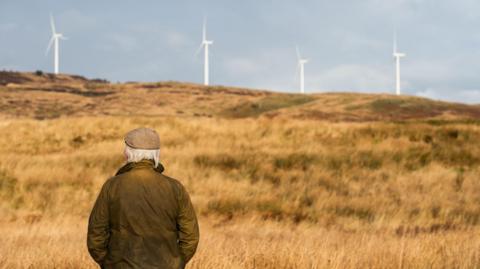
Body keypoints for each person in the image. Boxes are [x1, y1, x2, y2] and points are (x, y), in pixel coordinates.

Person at [87, 127, 199, 269]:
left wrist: (109, 263)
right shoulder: (175, 188)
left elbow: (96, 234)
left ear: (128, 153)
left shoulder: (112, 186)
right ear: (155, 154)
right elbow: (190, 236)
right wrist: (175, 262)